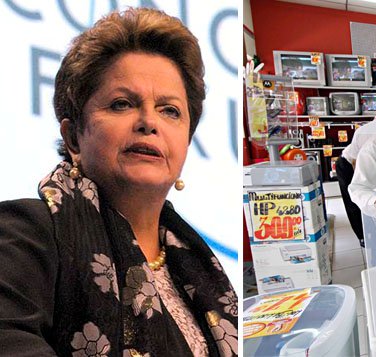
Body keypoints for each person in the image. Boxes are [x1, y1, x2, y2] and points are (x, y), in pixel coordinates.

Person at [0, 8, 237, 356]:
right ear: (74, 138)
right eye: (122, 104)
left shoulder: (197, 266)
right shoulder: (25, 235)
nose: (148, 122)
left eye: (170, 110)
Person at [337, 100, 376, 247]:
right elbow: (357, 162)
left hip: (349, 162)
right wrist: (362, 183)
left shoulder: (361, 129)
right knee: (357, 197)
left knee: (361, 199)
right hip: (349, 166)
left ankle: (363, 236)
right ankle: (365, 236)